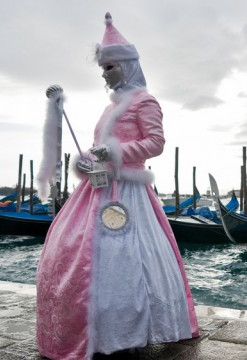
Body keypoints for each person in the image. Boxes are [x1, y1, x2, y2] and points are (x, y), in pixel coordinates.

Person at [36, 12, 199, 359]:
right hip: (96, 190)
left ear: (126, 65)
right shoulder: (108, 109)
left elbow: (155, 142)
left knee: (126, 261)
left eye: (110, 67)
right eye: (103, 67)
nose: (105, 73)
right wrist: (87, 160)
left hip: (129, 193)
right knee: (72, 254)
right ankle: (96, 331)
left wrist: (114, 151)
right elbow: (99, 152)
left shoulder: (145, 101)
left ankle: (126, 330)